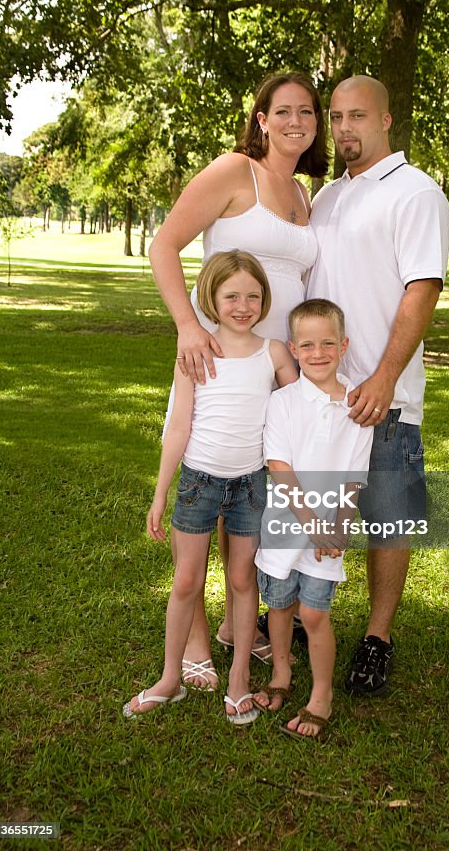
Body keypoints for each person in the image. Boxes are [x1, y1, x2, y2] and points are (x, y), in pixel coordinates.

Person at [147, 73, 327, 684]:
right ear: (261, 118)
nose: (296, 121)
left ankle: (234, 625)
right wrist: (186, 329)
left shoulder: (304, 194)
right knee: (203, 483)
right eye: (284, 110)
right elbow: (164, 244)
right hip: (214, 358)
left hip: (273, 371)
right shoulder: (233, 170)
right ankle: (195, 637)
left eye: (308, 111)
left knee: (249, 492)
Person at [306, 75, 449, 695]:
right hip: (323, 394)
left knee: (388, 518)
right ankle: (300, 610)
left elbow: (424, 288)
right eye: (336, 117)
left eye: (357, 116)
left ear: (387, 121)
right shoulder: (326, 197)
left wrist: (384, 376)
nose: (344, 128)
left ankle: (378, 636)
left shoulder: (416, 194)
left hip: (382, 394)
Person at [123, 250, 298, 723]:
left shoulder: (274, 353)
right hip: (198, 482)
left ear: (264, 301)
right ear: (211, 298)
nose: (243, 305)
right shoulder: (196, 351)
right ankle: (169, 678)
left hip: (249, 485)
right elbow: (179, 425)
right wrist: (161, 491)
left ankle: (238, 676)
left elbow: (297, 409)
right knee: (186, 581)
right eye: (231, 295)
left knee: (243, 581)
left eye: (253, 296)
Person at [254, 299, 374, 738]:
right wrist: (309, 522)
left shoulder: (358, 408)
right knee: (280, 605)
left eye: (327, 343)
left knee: (315, 611)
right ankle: (282, 674)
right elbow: (279, 467)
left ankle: (321, 694)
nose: (318, 352)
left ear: (343, 345)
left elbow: (353, 479)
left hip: (328, 533)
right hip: (286, 525)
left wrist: (339, 525)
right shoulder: (283, 402)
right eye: (307, 344)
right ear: (293, 348)